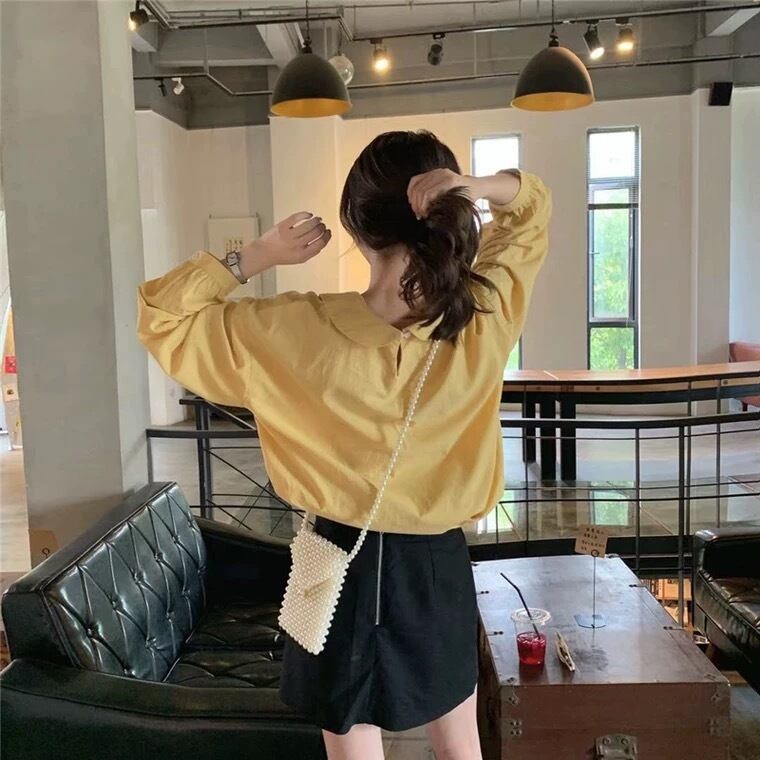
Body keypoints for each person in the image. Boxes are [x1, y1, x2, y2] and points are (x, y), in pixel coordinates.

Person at [137, 130, 551, 760]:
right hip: (435, 567)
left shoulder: (290, 330)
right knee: (459, 745)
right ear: (447, 213)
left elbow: (163, 316)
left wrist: (255, 255)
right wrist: (476, 187)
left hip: (333, 561)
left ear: (355, 227)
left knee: (352, 749)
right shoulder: (481, 314)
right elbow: (532, 209)